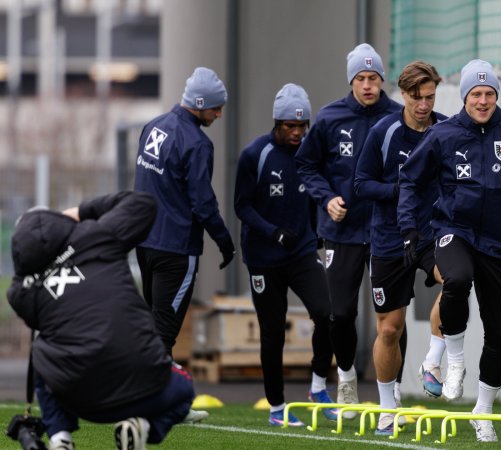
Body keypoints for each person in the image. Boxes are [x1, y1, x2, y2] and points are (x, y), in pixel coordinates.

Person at [6, 191, 196, 450]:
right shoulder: (97, 235)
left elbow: (31, 293)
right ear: (60, 222)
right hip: (145, 383)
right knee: (185, 389)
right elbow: (142, 203)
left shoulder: (21, 292)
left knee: (43, 350)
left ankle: (60, 437)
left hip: (82, 400)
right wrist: (80, 212)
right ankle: (145, 427)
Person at [398, 59, 501, 442]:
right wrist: (409, 233)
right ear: (464, 96)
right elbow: (410, 181)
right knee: (457, 279)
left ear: (496, 95)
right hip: (456, 230)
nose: (483, 101)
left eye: (489, 94)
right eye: (475, 94)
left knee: (500, 334)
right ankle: (454, 362)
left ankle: (482, 412)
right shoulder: (444, 134)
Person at [295, 43, 402, 416]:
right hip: (340, 232)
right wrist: (326, 198)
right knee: (339, 313)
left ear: (382, 80)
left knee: (390, 321)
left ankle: (392, 393)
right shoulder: (329, 118)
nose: (369, 85)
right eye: (361, 78)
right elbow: (306, 166)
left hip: (386, 232)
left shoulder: (398, 116)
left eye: (374, 78)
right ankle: (346, 381)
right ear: (352, 81)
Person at [233, 83, 340, 427]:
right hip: (264, 257)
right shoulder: (255, 155)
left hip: (301, 252)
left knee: (327, 313)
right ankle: (277, 407)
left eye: (302, 127)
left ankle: (318, 384)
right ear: (276, 124)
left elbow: (311, 197)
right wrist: (273, 231)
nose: (297, 133)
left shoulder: (310, 154)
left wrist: (317, 233)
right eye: (289, 127)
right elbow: (241, 207)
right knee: (272, 332)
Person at [353, 60, 447, 435]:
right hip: (390, 239)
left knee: (456, 281)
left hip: (434, 234)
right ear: (403, 94)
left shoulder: (444, 129)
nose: (424, 104)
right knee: (390, 329)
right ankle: (388, 407)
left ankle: (433, 361)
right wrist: (403, 189)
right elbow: (360, 184)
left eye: (430, 97)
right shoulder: (384, 131)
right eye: (416, 97)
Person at [134, 66, 236, 360]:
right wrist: (224, 241)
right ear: (201, 104)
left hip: (145, 243)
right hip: (175, 250)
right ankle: (159, 403)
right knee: (165, 331)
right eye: (216, 109)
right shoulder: (196, 143)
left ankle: (148, 399)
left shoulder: (153, 126)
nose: (218, 115)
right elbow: (203, 202)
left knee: (153, 326)